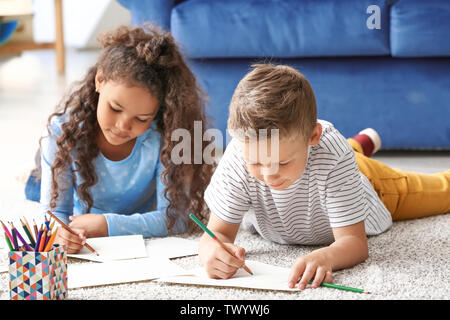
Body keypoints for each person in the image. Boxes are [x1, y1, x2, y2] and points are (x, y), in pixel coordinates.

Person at [198, 63, 450, 290]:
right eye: (255, 162)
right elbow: (215, 234)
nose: (268, 174)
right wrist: (211, 250)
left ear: (313, 137)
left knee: (442, 191)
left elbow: (354, 242)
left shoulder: (333, 156)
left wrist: (325, 256)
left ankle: (356, 147)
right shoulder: (240, 154)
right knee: (333, 156)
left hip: (374, 184)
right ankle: (360, 143)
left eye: (282, 162)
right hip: (323, 164)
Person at [25, 25, 213, 253]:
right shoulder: (62, 131)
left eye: (142, 118)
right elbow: (54, 214)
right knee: (36, 188)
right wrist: (60, 231)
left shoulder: (166, 137)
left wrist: (108, 224)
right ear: (99, 80)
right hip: (75, 185)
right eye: (115, 108)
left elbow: (177, 218)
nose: (123, 126)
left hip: (114, 209)